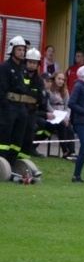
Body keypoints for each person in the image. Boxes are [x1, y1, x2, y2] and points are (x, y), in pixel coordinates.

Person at [0, 35, 32, 171]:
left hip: (21, 108)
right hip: (8, 107)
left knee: (18, 138)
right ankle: (2, 163)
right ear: (12, 50)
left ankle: (12, 164)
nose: (22, 52)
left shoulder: (24, 69)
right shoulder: (5, 67)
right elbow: (1, 90)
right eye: (19, 50)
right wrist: (5, 107)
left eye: (23, 50)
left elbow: (26, 89)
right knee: (4, 137)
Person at [19, 47, 49, 159]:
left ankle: (24, 158)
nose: (31, 65)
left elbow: (41, 98)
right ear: (25, 62)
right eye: (29, 62)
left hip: (32, 112)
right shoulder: (20, 75)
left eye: (34, 63)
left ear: (38, 64)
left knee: (30, 133)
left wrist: (28, 96)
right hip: (19, 109)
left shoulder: (39, 80)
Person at [49, 71, 77, 160]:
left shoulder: (65, 91)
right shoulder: (49, 90)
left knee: (69, 127)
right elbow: (47, 105)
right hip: (53, 114)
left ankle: (72, 152)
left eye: (62, 79)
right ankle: (65, 151)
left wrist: (66, 117)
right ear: (54, 79)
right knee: (62, 125)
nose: (61, 81)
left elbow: (68, 105)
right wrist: (55, 114)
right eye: (59, 79)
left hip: (63, 114)